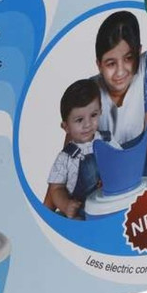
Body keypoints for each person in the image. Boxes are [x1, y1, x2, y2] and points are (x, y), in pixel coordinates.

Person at [93, 10, 147, 177]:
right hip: (105, 179)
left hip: (142, 171)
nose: (120, 72)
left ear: (138, 52)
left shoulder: (146, 67)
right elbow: (71, 154)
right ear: (99, 64)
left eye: (128, 58)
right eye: (111, 63)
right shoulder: (89, 90)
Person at [43, 79, 105, 219]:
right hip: (80, 210)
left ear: (101, 112)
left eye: (93, 115)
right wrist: (65, 205)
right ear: (65, 127)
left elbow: (121, 162)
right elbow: (56, 189)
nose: (87, 124)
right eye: (79, 120)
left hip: (107, 204)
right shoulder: (65, 157)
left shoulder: (107, 140)